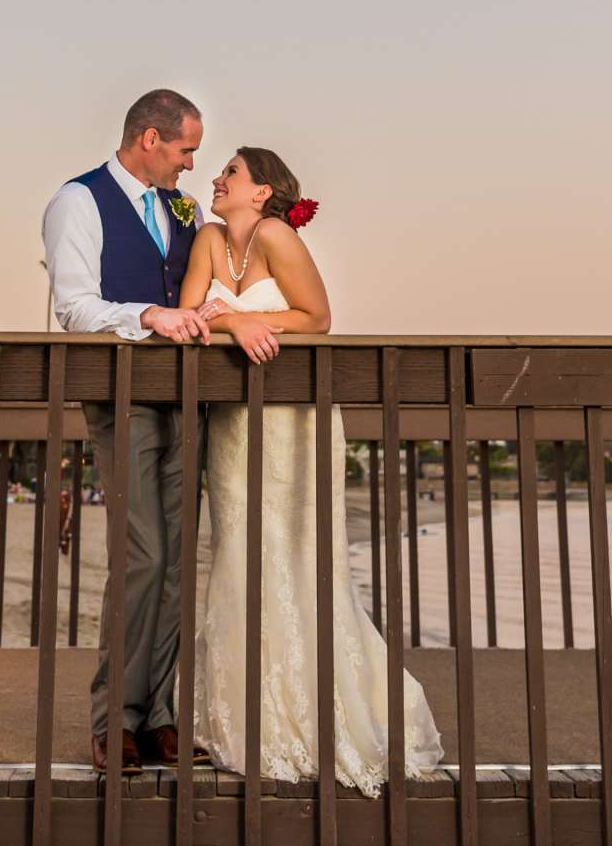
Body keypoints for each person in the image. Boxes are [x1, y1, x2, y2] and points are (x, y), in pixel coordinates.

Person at [185, 146, 443, 795]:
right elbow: (192, 320)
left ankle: (319, 707)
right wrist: (223, 323)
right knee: (239, 554)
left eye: (232, 173)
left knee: (298, 554)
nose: (217, 179)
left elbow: (318, 319)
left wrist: (241, 318)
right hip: (233, 425)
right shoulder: (209, 241)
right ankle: (242, 716)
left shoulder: (276, 235)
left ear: (263, 192)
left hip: (292, 422)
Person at [40, 87, 215, 773]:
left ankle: (158, 717)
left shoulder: (185, 209)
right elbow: (75, 306)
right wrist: (148, 317)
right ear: (149, 138)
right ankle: (114, 718)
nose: (190, 166)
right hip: (121, 397)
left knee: (177, 563)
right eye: (185, 150)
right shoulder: (77, 202)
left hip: (188, 399)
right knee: (141, 557)